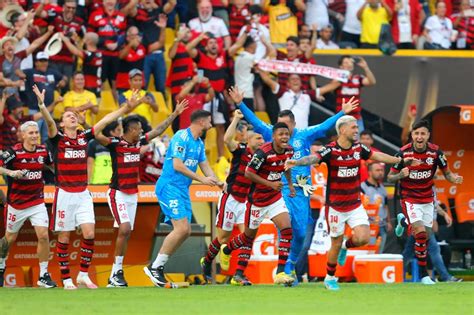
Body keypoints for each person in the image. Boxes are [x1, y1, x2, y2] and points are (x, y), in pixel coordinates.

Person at [228, 86, 359, 284]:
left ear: (294, 124)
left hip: (302, 189)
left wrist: (341, 112)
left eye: (287, 126)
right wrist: (240, 104)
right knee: (285, 227)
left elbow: (324, 127)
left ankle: (290, 264)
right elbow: (254, 121)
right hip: (281, 188)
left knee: (300, 233)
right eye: (280, 126)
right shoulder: (272, 133)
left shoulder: (304, 135)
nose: (283, 131)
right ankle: (283, 270)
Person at [285, 114, 419, 290]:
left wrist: (400, 161)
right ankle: (330, 277)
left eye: (357, 127)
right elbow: (314, 158)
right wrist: (296, 161)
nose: (357, 130)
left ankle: (346, 247)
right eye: (354, 127)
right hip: (335, 206)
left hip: (354, 204)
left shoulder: (359, 149)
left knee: (363, 238)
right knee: (335, 242)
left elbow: (378, 157)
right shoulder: (331, 150)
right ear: (342, 130)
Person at [95, 95, 188, 287]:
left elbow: (158, 130)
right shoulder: (116, 144)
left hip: (132, 193)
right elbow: (97, 135)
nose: (141, 131)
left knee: (126, 233)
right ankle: (116, 272)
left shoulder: (138, 143)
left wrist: (174, 114)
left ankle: (115, 275)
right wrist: (88, 124)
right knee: (125, 229)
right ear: (129, 130)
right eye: (137, 129)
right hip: (117, 192)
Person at [33, 84, 102, 289]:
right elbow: (47, 121)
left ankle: (82, 274)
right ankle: (65, 278)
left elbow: (105, 121)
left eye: (74, 115)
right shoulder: (57, 139)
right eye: (68, 116)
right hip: (64, 193)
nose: (72, 117)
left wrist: (126, 109)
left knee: (89, 233)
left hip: (83, 193)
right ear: (62, 124)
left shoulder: (83, 138)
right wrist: (42, 104)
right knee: (64, 236)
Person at [144, 110, 224, 288]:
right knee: (181, 229)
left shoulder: (199, 143)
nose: (212, 124)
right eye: (210, 121)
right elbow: (177, 165)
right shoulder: (181, 137)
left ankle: (156, 267)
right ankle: (155, 267)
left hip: (182, 189)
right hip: (169, 186)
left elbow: (205, 166)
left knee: (186, 231)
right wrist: (202, 180)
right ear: (202, 122)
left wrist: (219, 182)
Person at [219, 122, 297, 286]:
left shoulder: (289, 150)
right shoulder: (263, 153)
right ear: (274, 136)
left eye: (287, 134)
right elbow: (248, 173)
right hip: (256, 201)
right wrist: (269, 183)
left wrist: (289, 184)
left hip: (275, 198)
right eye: (281, 134)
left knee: (287, 230)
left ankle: (280, 272)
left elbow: (286, 166)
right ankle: (230, 256)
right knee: (248, 237)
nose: (284, 137)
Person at [388, 120, 463, 285]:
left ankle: (404, 221)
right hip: (409, 198)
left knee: (425, 238)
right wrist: (400, 175)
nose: (419, 137)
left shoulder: (436, 153)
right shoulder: (403, 153)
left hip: (427, 199)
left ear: (428, 135)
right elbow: (390, 177)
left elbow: (448, 174)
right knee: (420, 233)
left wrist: (454, 179)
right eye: (416, 133)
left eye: (423, 133)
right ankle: (424, 276)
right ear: (412, 135)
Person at [200, 110, 264, 285]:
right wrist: (236, 118)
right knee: (223, 238)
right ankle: (207, 261)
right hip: (231, 198)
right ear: (248, 139)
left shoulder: (263, 157)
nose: (262, 141)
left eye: (263, 138)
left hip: (247, 202)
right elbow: (227, 139)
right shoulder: (241, 150)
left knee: (247, 236)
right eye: (258, 138)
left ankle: (238, 275)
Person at [0, 120, 56, 288]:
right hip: (16, 204)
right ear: (23, 135)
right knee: (9, 239)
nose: (34, 136)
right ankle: (1, 264)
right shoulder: (13, 152)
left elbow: (49, 165)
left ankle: (43, 274)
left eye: (36, 133)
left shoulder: (43, 150)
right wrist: (11, 172)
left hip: (37, 200)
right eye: (30, 133)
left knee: (44, 236)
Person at [319, 55, 376, 132]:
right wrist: (341, 76)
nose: (349, 64)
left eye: (350, 61)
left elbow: (372, 82)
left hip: (356, 118)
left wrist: (366, 67)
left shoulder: (358, 78)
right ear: (341, 66)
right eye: (346, 62)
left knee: (357, 141)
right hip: (342, 118)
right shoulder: (338, 80)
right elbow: (330, 88)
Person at [88, 0, 128, 103]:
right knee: (99, 82)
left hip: (115, 55)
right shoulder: (95, 15)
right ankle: (98, 106)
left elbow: (124, 35)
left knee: (115, 83)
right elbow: (90, 35)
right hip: (100, 55)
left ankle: (118, 108)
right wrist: (105, 43)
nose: (110, 2)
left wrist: (117, 44)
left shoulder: (121, 16)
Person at [361, 162, 393, 253]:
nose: (380, 172)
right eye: (377, 170)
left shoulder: (382, 188)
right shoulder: (362, 187)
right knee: (369, 252)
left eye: (382, 170)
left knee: (380, 252)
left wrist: (388, 221)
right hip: (369, 226)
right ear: (370, 172)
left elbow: (385, 206)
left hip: (382, 225)